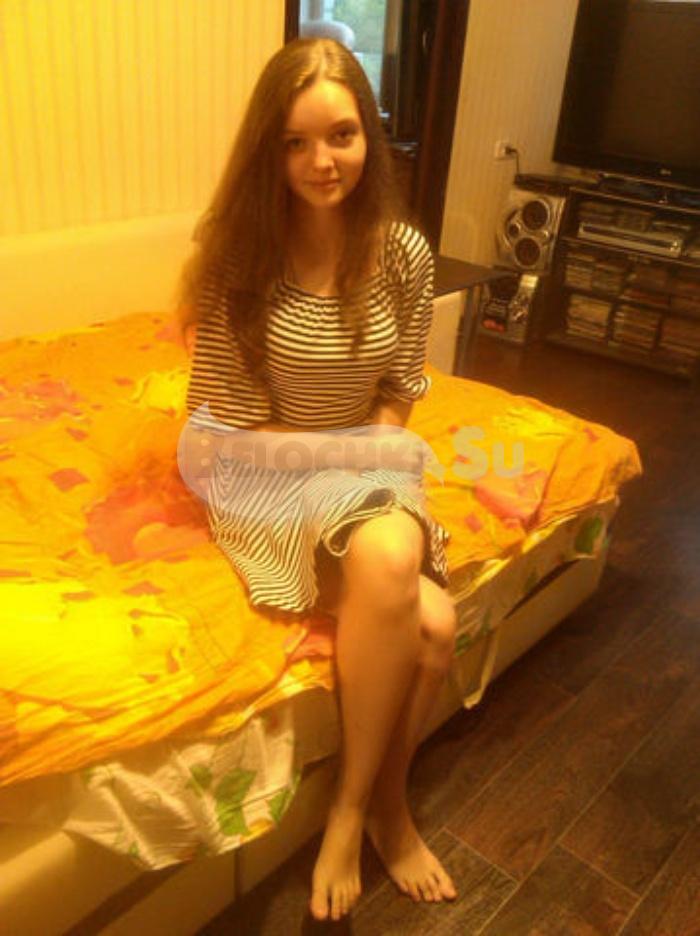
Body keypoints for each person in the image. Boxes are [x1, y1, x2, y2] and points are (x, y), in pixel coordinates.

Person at [176, 37, 458, 922]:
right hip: (263, 465)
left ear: (369, 134)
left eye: (341, 135)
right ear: (269, 150)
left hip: (362, 457)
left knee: (427, 611)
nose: (320, 161)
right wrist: (345, 463)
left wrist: (370, 458)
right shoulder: (238, 259)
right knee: (423, 607)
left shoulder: (404, 253)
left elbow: (401, 388)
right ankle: (374, 813)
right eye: (295, 142)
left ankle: (368, 806)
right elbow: (231, 426)